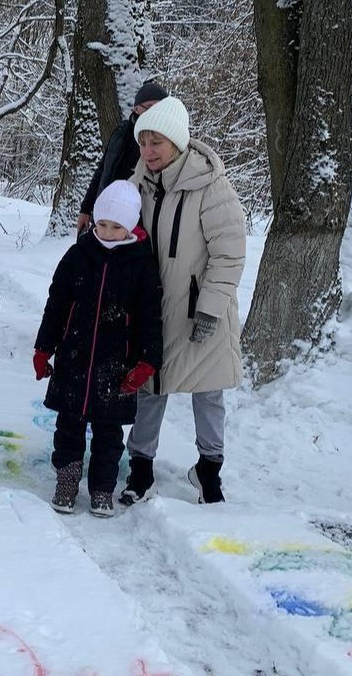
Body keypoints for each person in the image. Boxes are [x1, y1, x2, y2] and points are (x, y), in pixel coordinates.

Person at [120, 96, 246, 506]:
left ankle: (209, 471)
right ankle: (141, 468)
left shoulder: (210, 185)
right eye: (143, 142)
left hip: (199, 309)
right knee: (150, 386)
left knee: (208, 390)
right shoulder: (137, 185)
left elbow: (230, 252)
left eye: (157, 142)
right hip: (153, 309)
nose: (149, 151)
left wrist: (210, 307)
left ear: (177, 142)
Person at [34, 180, 163, 517]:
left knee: (109, 432)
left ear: (131, 226)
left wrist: (147, 361)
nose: (106, 231)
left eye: (116, 226)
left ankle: (102, 487)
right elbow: (57, 304)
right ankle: (66, 478)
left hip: (116, 364)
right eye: (102, 224)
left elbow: (151, 316)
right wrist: (43, 348)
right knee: (68, 424)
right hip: (74, 358)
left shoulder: (141, 264)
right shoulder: (79, 254)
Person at [76, 80, 169, 235]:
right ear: (136, 108)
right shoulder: (120, 132)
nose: (155, 114)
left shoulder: (165, 143)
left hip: (137, 225)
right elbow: (102, 171)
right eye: (151, 108)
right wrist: (86, 208)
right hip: (105, 218)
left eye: (161, 109)